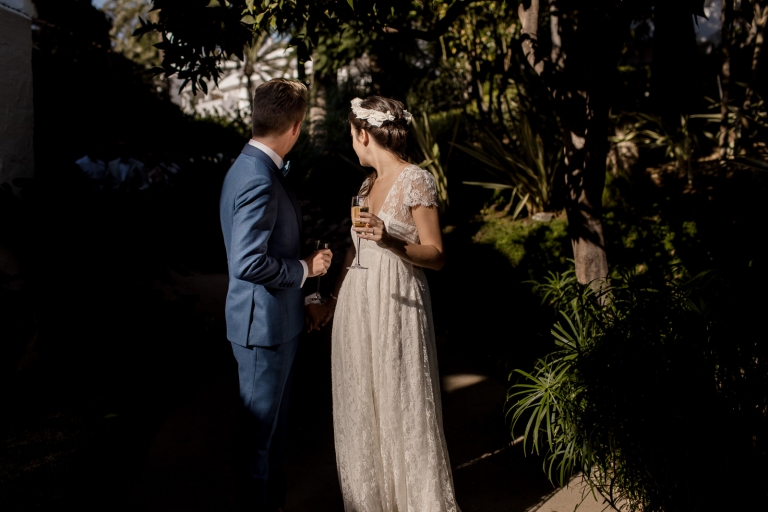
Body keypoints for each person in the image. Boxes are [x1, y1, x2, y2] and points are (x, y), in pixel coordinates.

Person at [310, 96, 460, 511]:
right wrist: (333, 301)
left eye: (351, 135)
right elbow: (354, 251)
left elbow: (437, 255)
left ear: (363, 134)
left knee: (401, 398)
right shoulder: (366, 185)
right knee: (363, 403)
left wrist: (391, 239)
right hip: (358, 306)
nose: (352, 143)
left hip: (397, 303)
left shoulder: (416, 180)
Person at [219, 78, 332, 512]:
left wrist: (302, 296)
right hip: (262, 329)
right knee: (259, 441)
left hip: (277, 321)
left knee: (272, 436)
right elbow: (247, 263)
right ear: (297, 127)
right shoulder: (257, 178)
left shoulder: (254, 166)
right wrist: (306, 269)